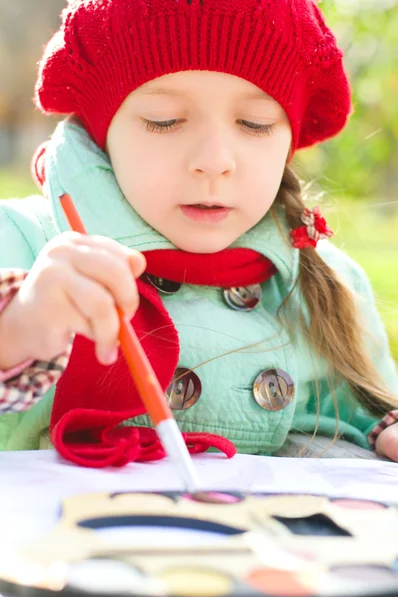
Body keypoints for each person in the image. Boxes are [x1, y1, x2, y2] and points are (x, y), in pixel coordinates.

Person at [0, 0, 397, 468]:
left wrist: (382, 431)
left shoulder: (326, 281)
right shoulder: (26, 244)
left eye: (255, 124)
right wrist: (18, 330)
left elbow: (357, 410)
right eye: (164, 120)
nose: (214, 159)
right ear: (102, 130)